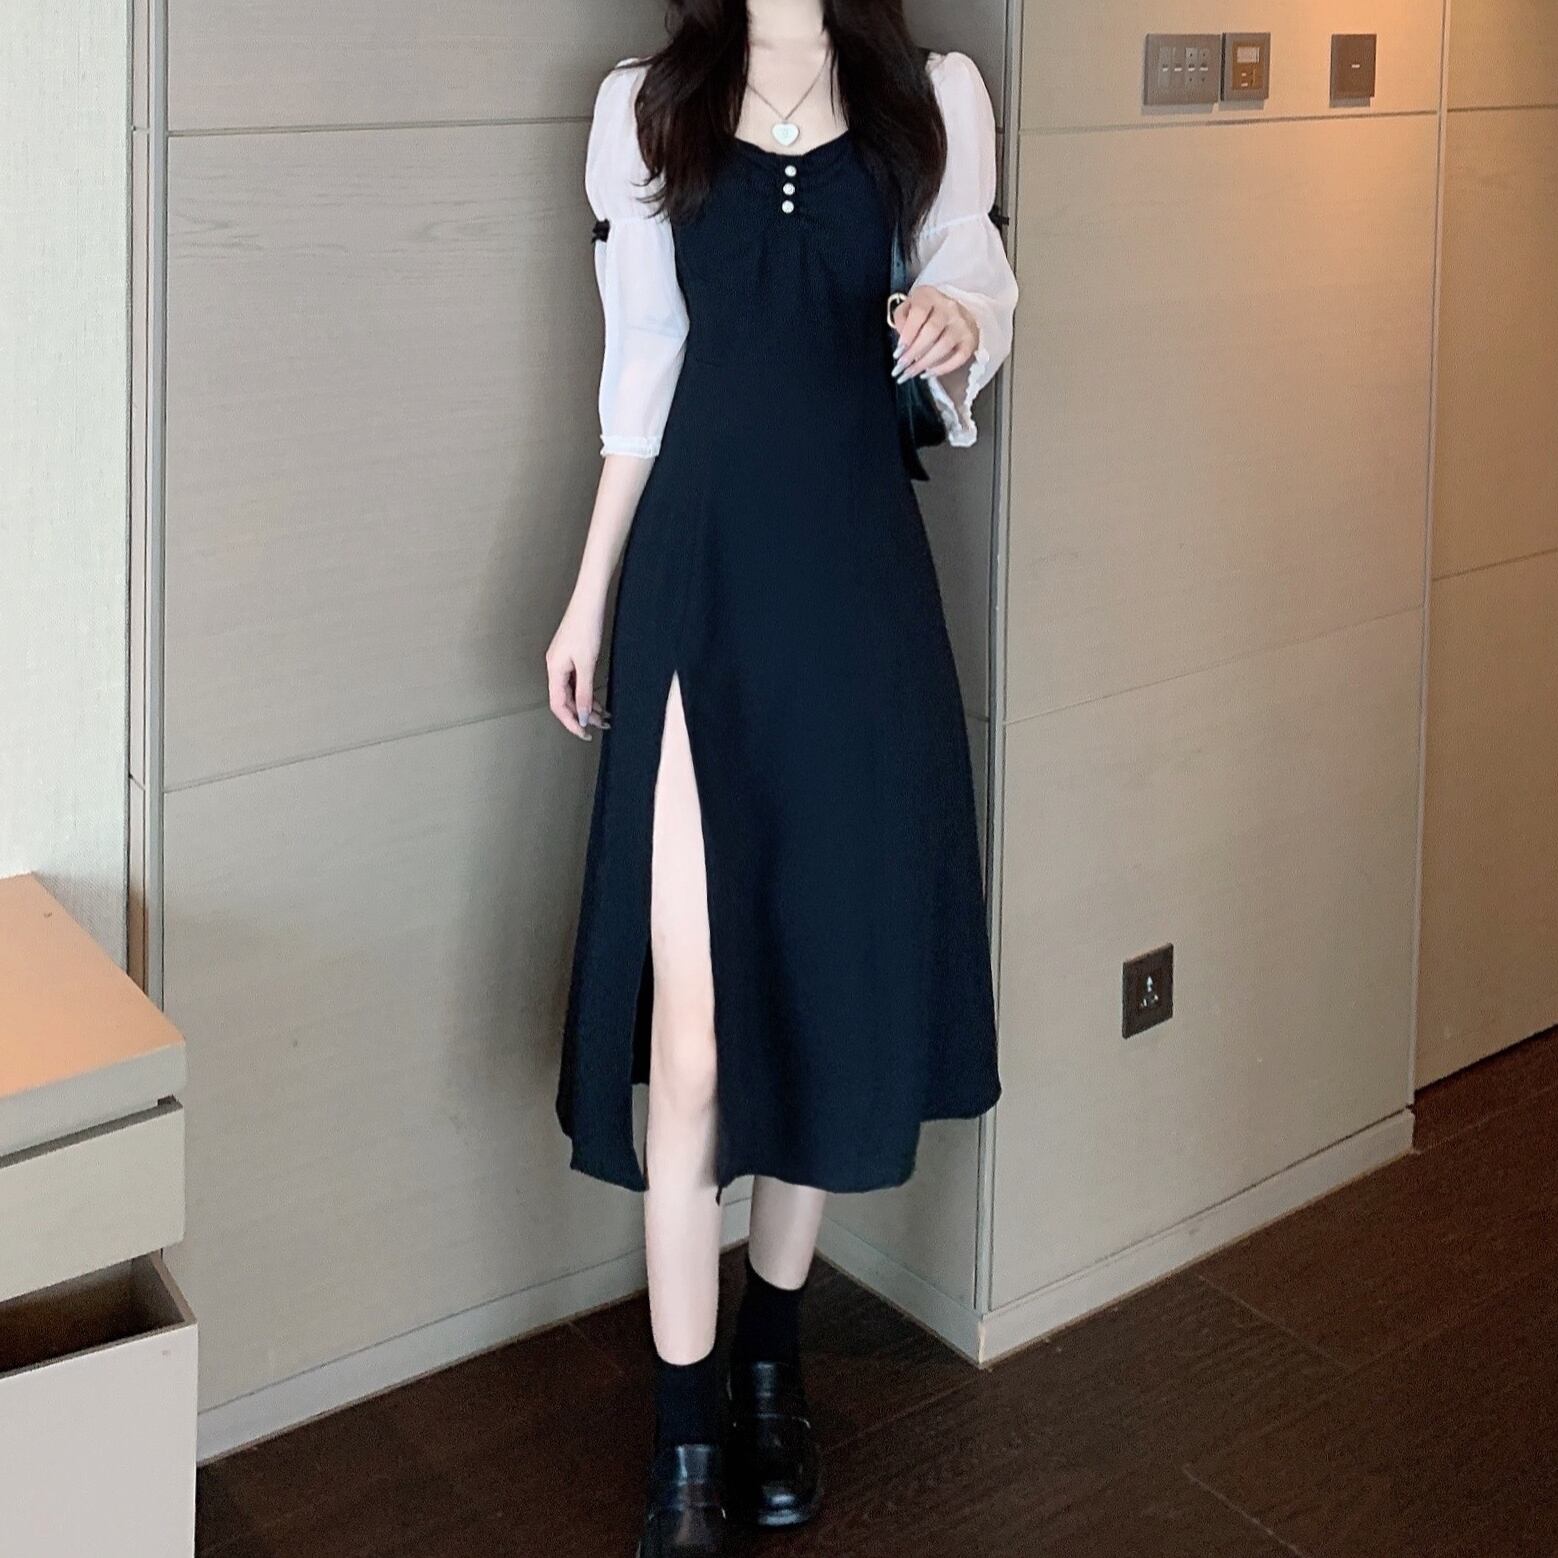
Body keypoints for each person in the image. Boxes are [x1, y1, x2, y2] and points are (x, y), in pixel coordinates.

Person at [546, 1, 1016, 1551]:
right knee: (690, 1045)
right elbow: (641, 366)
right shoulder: (648, 101)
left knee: (818, 989)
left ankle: (767, 1358)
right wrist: (588, 597)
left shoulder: (929, 93)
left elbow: (971, 275)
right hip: (700, 582)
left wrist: (954, 322)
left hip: (857, 591)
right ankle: (684, 1440)